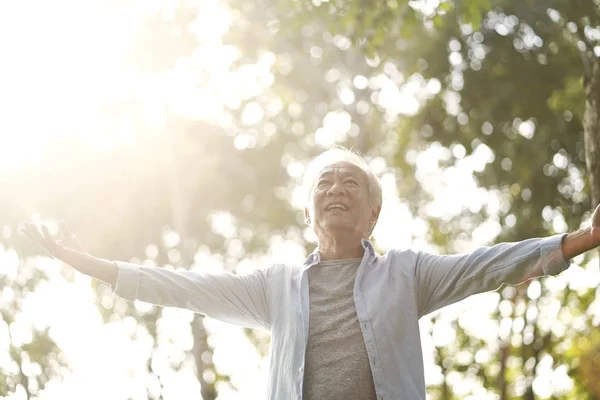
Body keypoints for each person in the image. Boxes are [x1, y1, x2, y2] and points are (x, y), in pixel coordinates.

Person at [21, 147, 600, 400]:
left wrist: (583, 239)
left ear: (374, 212)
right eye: (324, 184)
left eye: (351, 183)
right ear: (308, 212)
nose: (335, 190)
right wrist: (91, 265)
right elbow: (184, 285)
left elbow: (487, 267)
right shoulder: (275, 289)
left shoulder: (408, 275)